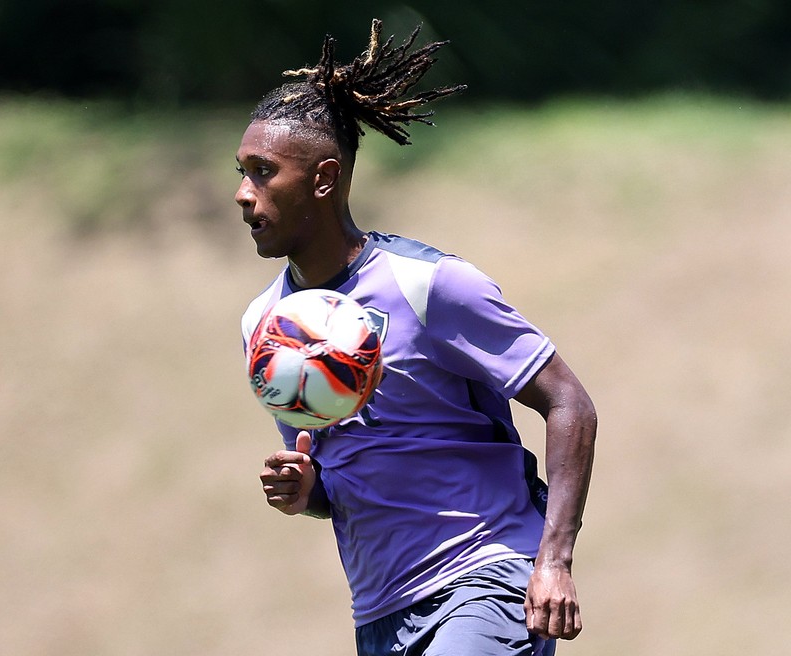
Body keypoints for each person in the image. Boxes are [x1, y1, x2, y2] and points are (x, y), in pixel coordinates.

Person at [236, 19, 596, 656]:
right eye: (241, 171)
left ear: (322, 180)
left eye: (263, 173)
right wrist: (303, 489)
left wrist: (555, 561)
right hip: (379, 612)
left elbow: (569, 404)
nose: (242, 194)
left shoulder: (429, 286)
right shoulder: (264, 327)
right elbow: (335, 480)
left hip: (485, 579)